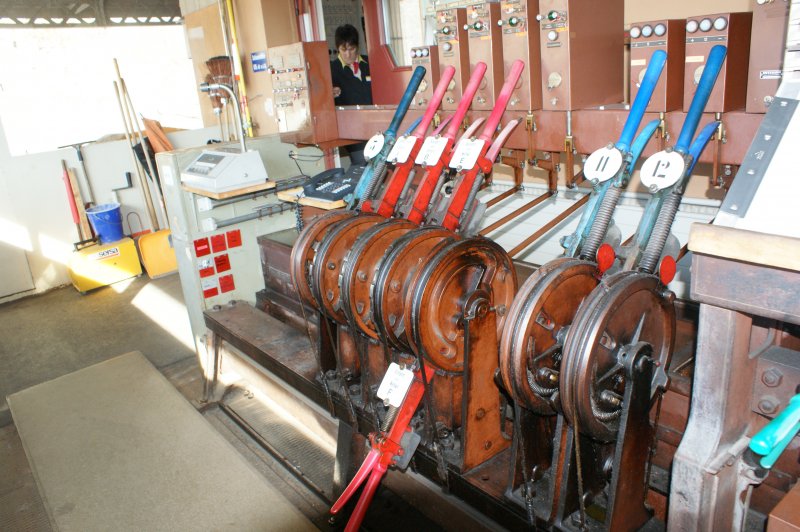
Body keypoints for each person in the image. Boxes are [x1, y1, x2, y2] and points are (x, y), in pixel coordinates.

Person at [330, 24, 372, 164]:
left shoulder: (370, 62)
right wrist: (330, 95)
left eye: (352, 49)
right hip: (352, 130)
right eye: (343, 50)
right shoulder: (332, 70)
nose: (348, 54)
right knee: (362, 165)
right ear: (338, 49)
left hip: (375, 125)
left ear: (357, 47)